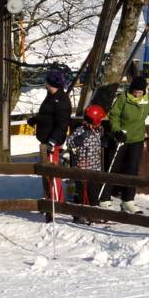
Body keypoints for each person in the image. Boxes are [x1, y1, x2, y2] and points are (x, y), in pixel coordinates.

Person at [100, 76, 149, 213]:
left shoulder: (148, 100)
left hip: (137, 139)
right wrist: (117, 131)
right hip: (121, 138)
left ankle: (128, 200)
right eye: (135, 91)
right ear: (131, 89)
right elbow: (114, 116)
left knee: (132, 169)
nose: (137, 94)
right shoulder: (123, 98)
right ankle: (104, 197)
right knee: (113, 167)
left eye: (140, 92)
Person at [28, 70, 72, 207]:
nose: (45, 84)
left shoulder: (62, 101)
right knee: (46, 173)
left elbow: (62, 124)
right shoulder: (51, 96)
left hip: (52, 142)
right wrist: (35, 120)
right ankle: (50, 199)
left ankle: (57, 203)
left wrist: (53, 140)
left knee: (52, 172)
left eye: (47, 82)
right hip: (44, 140)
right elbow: (46, 114)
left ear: (52, 84)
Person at [67, 104, 107, 214]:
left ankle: (94, 212)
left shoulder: (99, 130)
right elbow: (69, 143)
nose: (100, 123)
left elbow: (100, 141)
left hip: (95, 169)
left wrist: (104, 141)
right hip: (82, 168)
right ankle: (80, 214)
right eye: (99, 121)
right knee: (81, 193)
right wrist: (78, 140)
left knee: (94, 193)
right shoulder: (81, 131)